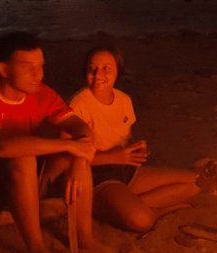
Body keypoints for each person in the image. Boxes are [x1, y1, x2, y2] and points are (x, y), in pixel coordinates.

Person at [0, 32, 113, 253]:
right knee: (24, 159)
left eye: (41, 66)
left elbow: (82, 128)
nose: (38, 74)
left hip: (28, 184)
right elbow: (3, 148)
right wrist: (70, 144)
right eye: (28, 67)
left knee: (76, 155)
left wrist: (78, 158)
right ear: (3, 69)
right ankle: (36, 250)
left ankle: (84, 238)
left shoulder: (42, 94)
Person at [68, 44, 200, 232]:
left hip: (125, 169)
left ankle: (124, 205)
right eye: (92, 68)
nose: (98, 74)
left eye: (106, 69)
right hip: (95, 175)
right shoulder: (78, 104)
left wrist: (135, 149)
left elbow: (124, 139)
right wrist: (113, 157)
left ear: (117, 73)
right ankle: (131, 208)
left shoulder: (123, 100)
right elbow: (64, 159)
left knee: (196, 182)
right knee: (143, 221)